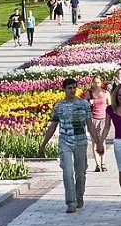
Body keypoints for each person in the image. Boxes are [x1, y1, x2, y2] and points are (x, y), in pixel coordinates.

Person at [39, 78, 105, 213]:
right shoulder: (59, 106)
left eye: (74, 87)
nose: (72, 90)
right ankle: (71, 201)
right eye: (69, 88)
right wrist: (43, 144)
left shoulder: (84, 104)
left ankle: (79, 196)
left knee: (80, 172)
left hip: (81, 142)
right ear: (64, 89)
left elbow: (90, 124)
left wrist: (98, 142)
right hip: (65, 142)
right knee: (67, 172)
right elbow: (53, 126)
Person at [84, 75, 111, 172]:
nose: (96, 84)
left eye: (98, 82)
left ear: (101, 83)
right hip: (93, 119)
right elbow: (84, 105)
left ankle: (103, 162)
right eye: (94, 82)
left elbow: (110, 107)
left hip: (103, 119)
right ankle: (97, 164)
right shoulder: (89, 93)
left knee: (102, 141)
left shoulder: (106, 93)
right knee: (94, 142)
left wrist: (110, 119)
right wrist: (89, 103)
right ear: (92, 83)